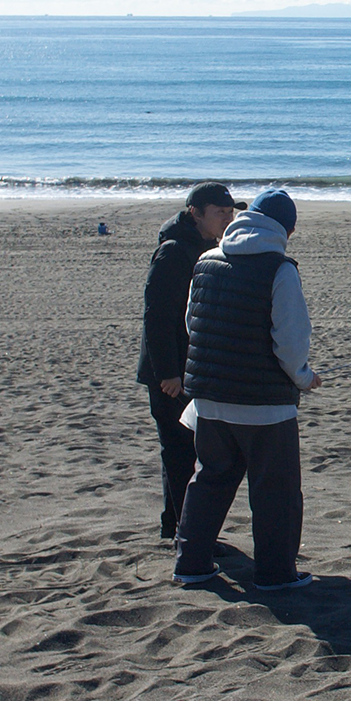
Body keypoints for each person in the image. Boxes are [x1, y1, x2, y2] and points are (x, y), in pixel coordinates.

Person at [173, 188, 322, 590]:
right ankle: (275, 574)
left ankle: (191, 563)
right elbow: (290, 340)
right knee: (276, 492)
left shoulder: (207, 260)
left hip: (209, 398)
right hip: (264, 405)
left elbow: (193, 324)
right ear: (287, 231)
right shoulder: (280, 269)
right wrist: (304, 377)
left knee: (209, 482)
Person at [137, 183, 241, 541]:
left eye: (230, 213)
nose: (227, 219)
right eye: (220, 212)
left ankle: (178, 527)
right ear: (195, 213)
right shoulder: (173, 251)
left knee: (188, 451)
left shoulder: (208, 246)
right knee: (181, 452)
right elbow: (156, 317)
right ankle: (186, 532)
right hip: (170, 373)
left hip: (192, 368)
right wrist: (167, 373)